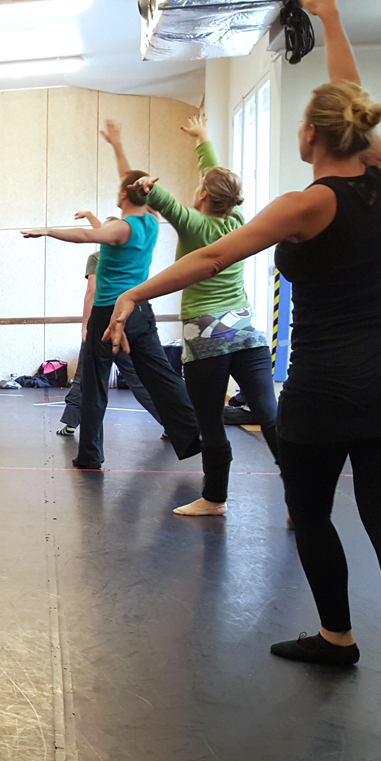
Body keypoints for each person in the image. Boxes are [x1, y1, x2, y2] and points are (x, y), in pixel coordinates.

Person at [103, 0, 381, 720]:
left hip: (327, 379)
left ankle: (338, 636)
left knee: (311, 510)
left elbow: (209, 257)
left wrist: (134, 296)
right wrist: (330, 17)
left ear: (312, 137)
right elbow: (352, 97)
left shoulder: (305, 204)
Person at [22, 121, 200, 470]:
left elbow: (86, 237)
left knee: (95, 386)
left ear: (122, 196)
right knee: (161, 375)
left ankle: (90, 454)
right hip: (140, 310)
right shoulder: (150, 221)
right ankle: (194, 432)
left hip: (109, 313)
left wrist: (47, 230)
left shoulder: (121, 228)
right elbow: (131, 184)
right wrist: (117, 146)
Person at [128, 114, 280, 517]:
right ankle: (302, 499)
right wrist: (202, 140)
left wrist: (146, 187)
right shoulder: (237, 222)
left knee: (210, 422)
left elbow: (166, 203)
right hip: (246, 332)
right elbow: (214, 178)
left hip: (207, 339)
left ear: (204, 196)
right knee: (269, 414)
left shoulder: (196, 226)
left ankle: (214, 499)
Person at [56, 246, 165, 436]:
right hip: (129, 320)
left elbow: (92, 291)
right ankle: (172, 424)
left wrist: (85, 325)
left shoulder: (97, 258)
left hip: (102, 320)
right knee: (138, 379)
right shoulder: (133, 255)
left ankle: (72, 422)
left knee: (85, 376)